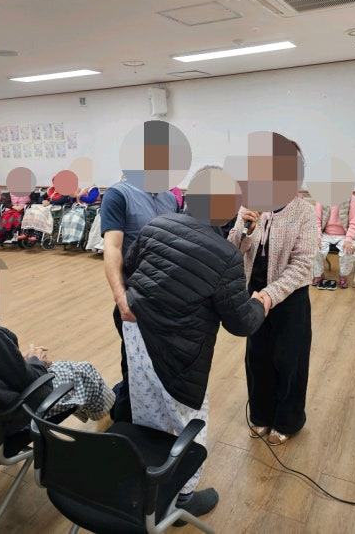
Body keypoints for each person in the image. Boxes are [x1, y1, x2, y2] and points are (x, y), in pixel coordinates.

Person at [121, 195, 267, 523]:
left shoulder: (156, 225)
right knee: (191, 421)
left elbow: (130, 267)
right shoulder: (226, 256)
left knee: (148, 412)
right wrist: (260, 303)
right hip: (179, 353)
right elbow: (241, 323)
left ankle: (150, 489)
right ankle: (182, 498)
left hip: (138, 336)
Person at [227, 135, 316, 446]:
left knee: (290, 360)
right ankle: (262, 415)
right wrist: (246, 229)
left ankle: (288, 421)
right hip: (254, 295)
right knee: (257, 357)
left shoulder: (304, 212)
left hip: (290, 299)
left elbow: (302, 265)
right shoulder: (252, 204)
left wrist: (271, 295)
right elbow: (233, 250)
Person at [100, 178, 179, 421]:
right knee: (135, 369)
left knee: (161, 366)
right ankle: (124, 423)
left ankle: (145, 416)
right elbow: (112, 248)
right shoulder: (118, 194)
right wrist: (121, 298)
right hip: (134, 301)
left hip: (167, 301)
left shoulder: (170, 198)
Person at [0, 325, 115, 435]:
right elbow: (29, 380)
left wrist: (14, 359)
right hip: (10, 420)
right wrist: (36, 361)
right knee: (84, 371)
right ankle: (111, 430)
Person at [312, 195, 355, 289]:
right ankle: (319, 274)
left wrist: (348, 240)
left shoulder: (351, 198)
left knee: (349, 251)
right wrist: (317, 237)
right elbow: (316, 221)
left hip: (346, 234)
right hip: (325, 234)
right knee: (314, 247)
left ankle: (343, 276)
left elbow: (354, 223)